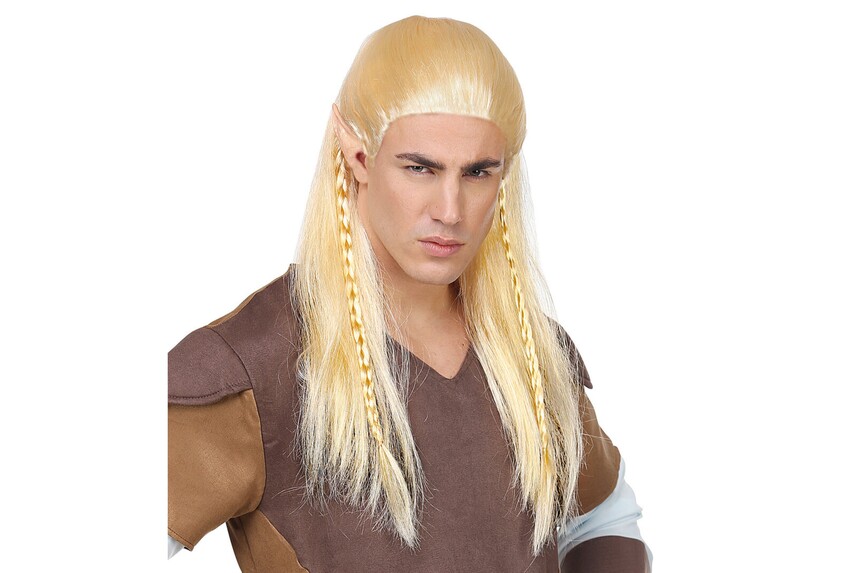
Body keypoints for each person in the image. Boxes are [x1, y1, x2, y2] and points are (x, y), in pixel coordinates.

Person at [168, 15, 651, 572]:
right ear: (358, 155)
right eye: (420, 168)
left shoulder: (528, 352)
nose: (450, 210)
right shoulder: (252, 365)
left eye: (478, 173)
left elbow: (602, 517)